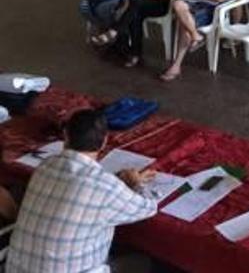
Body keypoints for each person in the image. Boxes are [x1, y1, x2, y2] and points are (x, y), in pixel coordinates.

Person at [6, 110, 157, 272]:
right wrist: (136, 183)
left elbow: (81, 187)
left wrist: (117, 182)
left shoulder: (46, 165)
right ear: (104, 142)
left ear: (66, 135)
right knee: (142, 262)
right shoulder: (104, 185)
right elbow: (148, 208)